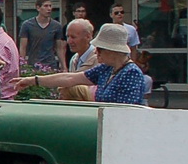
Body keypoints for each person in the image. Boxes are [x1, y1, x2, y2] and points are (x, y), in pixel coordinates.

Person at [16, 24, 147, 104]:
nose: (96, 51)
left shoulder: (131, 73)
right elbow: (70, 78)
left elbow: (126, 112)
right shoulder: (106, 69)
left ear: (113, 51)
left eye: (100, 48)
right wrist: (32, 80)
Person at [17, 0, 64, 72]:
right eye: (45, 6)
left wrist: (64, 66)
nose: (49, 9)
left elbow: (59, 48)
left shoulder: (56, 26)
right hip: (33, 65)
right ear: (38, 8)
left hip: (50, 65)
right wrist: (22, 66)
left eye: (50, 6)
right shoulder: (27, 25)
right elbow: (23, 47)